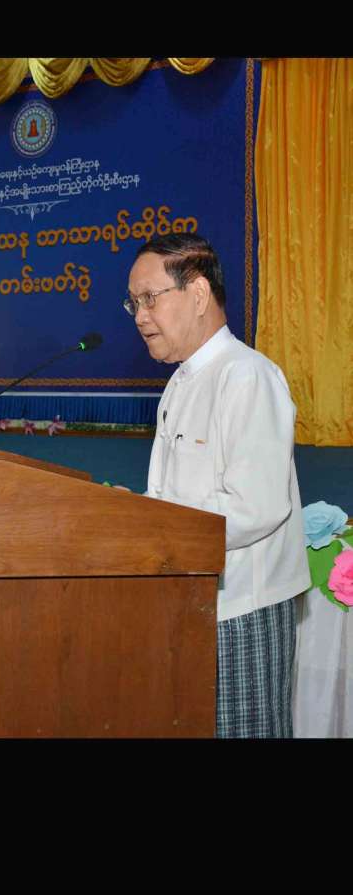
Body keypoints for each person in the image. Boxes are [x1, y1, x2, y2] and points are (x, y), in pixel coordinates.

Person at [117, 234, 309, 738]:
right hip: (194, 600)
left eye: (150, 298)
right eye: (133, 303)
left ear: (199, 294)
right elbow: (175, 494)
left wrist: (155, 526)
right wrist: (135, 515)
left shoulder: (246, 375)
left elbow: (257, 507)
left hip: (241, 611)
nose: (139, 316)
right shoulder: (183, 380)